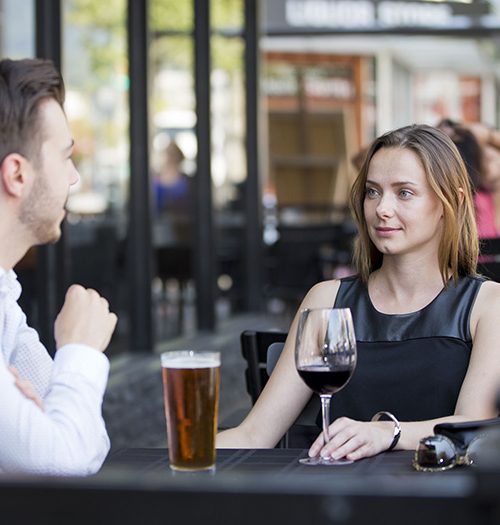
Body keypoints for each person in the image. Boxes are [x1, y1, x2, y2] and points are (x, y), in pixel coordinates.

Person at [218, 124, 500, 461]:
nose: (381, 208)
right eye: (373, 191)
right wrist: (176, 456)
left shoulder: (487, 304)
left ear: (449, 202)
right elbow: (255, 433)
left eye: (404, 193)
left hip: (438, 502)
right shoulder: (327, 300)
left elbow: (473, 424)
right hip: (340, 503)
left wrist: (387, 432)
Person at [0, 58, 117, 475]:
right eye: (66, 157)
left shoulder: (3, 293)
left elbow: (87, 443)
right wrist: (79, 349)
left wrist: (52, 426)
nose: (74, 178)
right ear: (17, 173)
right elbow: (64, 463)